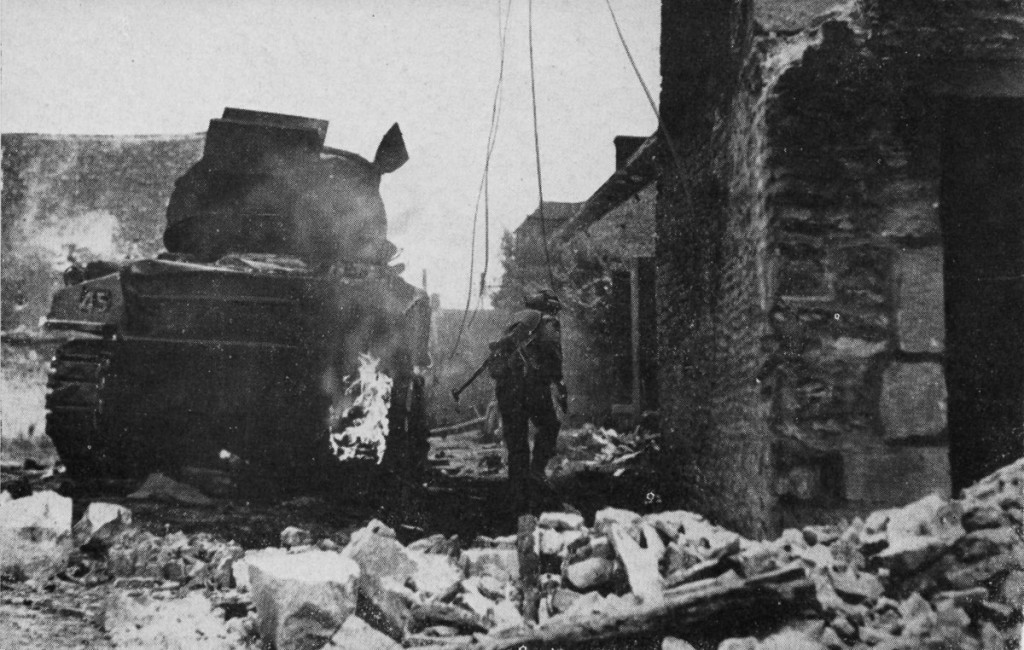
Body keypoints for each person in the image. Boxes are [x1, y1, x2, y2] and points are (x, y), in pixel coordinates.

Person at [489, 289, 568, 514]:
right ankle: (536, 473)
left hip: (506, 387)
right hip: (530, 386)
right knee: (550, 425)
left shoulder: (516, 322)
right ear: (550, 307)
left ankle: (518, 497)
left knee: (516, 444)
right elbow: (553, 353)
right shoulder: (547, 321)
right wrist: (559, 383)